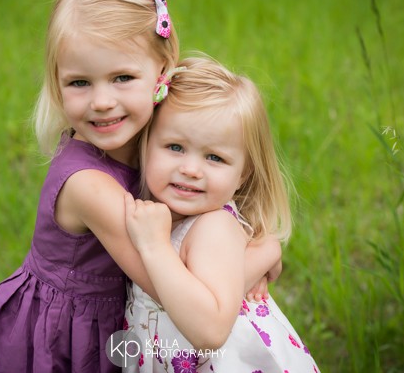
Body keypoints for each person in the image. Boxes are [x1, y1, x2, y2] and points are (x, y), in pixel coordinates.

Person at [0, 0, 281, 373]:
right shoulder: (88, 187)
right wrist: (263, 253)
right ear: (56, 82)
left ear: (163, 68)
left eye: (122, 78)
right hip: (69, 337)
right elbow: (192, 306)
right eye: (79, 83)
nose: (103, 102)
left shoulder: (163, 140)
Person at [124, 56, 320, 372]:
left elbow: (210, 331)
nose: (190, 169)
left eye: (214, 157)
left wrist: (153, 246)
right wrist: (266, 252)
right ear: (146, 145)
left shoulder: (213, 226)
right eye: (174, 147)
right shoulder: (175, 215)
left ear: (243, 174)